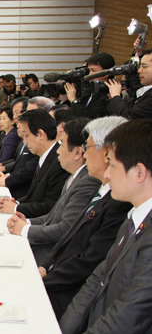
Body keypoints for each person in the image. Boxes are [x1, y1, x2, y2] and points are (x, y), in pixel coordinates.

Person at [60, 118, 152, 334]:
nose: (107, 174)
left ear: (139, 172)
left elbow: (127, 315)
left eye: (111, 164)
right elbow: (96, 280)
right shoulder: (133, 219)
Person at [34, 116, 130, 320]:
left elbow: (89, 260)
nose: (85, 155)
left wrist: (44, 279)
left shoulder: (119, 203)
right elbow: (69, 237)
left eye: (88, 147)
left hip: (67, 292)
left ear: (107, 152)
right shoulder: (102, 191)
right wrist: (44, 266)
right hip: (56, 275)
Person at [6, 118, 101, 265]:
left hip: (48, 255)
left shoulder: (87, 181)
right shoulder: (74, 176)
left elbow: (64, 229)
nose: (58, 150)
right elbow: (53, 216)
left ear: (77, 152)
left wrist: (26, 230)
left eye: (62, 144)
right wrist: (27, 221)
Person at [0, 109, 70, 217]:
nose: (24, 141)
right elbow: (35, 196)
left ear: (40, 134)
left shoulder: (59, 162)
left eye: (27, 136)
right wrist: (16, 203)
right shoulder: (45, 156)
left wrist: (16, 208)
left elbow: (50, 206)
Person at [106, 49, 152, 119]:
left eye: (144, 66)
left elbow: (129, 118)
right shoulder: (143, 92)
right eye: (140, 66)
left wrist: (116, 96)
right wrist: (113, 98)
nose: (139, 70)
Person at [66, 52, 115, 118]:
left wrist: (73, 100)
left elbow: (90, 117)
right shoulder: (90, 90)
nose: (89, 74)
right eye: (89, 70)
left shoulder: (110, 94)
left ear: (107, 73)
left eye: (93, 70)